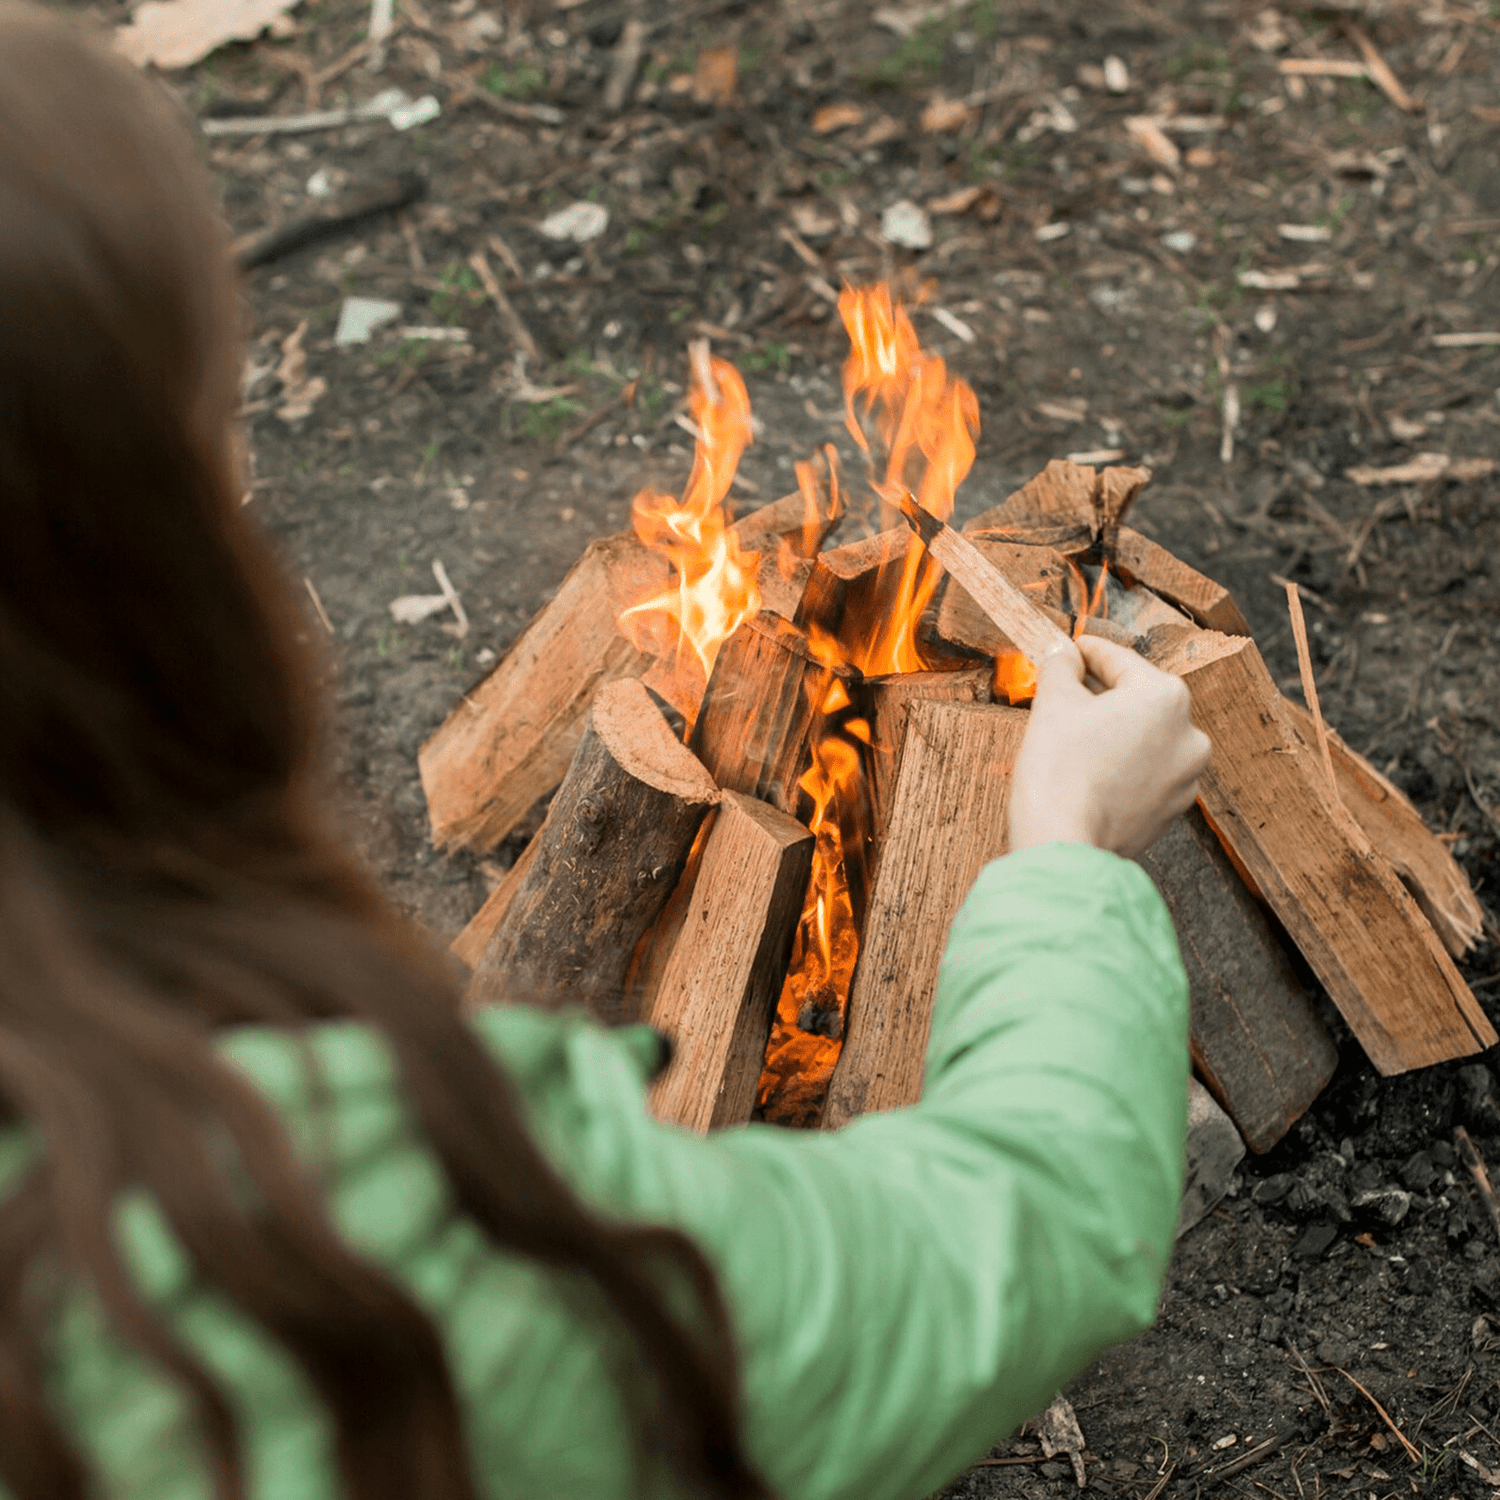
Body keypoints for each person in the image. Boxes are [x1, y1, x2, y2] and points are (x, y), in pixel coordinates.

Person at [0, 8, 1211, 1500]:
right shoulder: (337, 1246)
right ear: (132, 561)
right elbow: (1020, 1231)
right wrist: (1070, 856)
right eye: (214, 443)